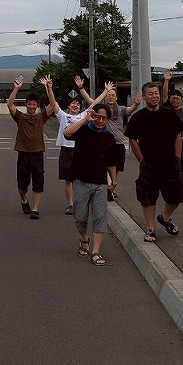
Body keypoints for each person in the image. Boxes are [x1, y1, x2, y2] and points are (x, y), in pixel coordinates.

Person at [124, 81, 183, 243]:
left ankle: (165, 217)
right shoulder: (138, 117)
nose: (154, 96)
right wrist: (142, 160)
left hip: (170, 163)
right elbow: (132, 139)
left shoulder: (170, 114)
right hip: (149, 164)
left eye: (156, 93)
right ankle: (150, 229)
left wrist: (177, 157)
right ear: (144, 97)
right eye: (150, 94)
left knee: (177, 195)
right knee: (148, 197)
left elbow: (178, 135)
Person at [63, 103, 118, 265]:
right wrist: (85, 120)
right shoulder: (83, 130)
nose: (100, 121)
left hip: (100, 182)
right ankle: (84, 238)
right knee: (80, 217)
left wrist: (113, 181)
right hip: (81, 180)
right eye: (97, 117)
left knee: (100, 216)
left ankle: (96, 251)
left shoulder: (109, 137)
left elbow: (111, 162)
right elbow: (67, 133)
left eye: (104, 118)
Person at [53, 76, 111, 215]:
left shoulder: (84, 115)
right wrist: (48, 88)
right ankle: (71, 204)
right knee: (68, 180)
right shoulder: (62, 115)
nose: (75, 105)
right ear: (69, 106)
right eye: (73, 103)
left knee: (80, 179)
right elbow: (53, 102)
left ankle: (83, 202)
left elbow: (95, 103)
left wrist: (105, 91)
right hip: (66, 150)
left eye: (77, 104)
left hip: (79, 150)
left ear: (80, 107)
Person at [7, 75, 56, 219]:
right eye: (29, 104)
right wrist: (16, 89)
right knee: (22, 185)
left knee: (38, 183)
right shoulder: (20, 117)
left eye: (34, 104)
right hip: (23, 154)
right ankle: (24, 199)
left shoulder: (41, 117)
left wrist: (49, 88)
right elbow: (10, 104)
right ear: (26, 104)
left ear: (37, 106)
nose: (31, 107)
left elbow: (53, 104)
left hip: (37, 154)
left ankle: (35, 209)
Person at [102, 85, 141, 202]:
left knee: (118, 167)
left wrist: (136, 104)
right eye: (108, 95)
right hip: (105, 143)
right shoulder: (102, 109)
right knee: (106, 166)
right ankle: (108, 188)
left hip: (119, 143)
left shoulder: (121, 109)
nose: (110, 97)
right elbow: (90, 102)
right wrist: (81, 88)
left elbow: (129, 110)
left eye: (112, 95)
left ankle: (111, 188)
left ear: (116, 97)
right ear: (105, 97)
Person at [161, 69, 183, 153]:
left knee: (179, 159)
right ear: (170, 99)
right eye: (173, 98)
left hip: (178, 141)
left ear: (181, 100)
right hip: (164, 140)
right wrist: (166, 80)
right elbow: (164, 94)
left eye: (177, 99)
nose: (175, 101)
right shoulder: (166, 107)